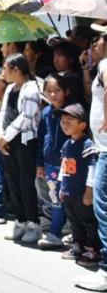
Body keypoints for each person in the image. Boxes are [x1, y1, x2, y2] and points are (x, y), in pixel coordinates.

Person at [0, 53, 43, 245]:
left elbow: (26, 117)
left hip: (24, 142)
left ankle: (33, 224)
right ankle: (20, 220)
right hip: (7, 141)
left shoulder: (31, 88)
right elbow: (3, 113)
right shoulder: (9, 89)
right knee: (12, 181)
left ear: (16, 70)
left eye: (5, 69)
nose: (3, 73)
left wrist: (6, 136)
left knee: (26, 183)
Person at [76, 28, 107, 291]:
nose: (94, 44)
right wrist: (87, 67)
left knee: (102, 206)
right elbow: (91, 93)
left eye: (98, 40)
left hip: (106, 147)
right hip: (102, 146)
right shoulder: (100, 67)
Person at [56, 103, 101, 266]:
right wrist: (61, 186)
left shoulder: (88, 144)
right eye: (63, 121)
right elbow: (64, 166)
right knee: (74, 221)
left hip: (82, 193)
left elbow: (92, 168)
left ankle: (93, 249)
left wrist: (89, 191)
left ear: (82, 125)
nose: (64, 124)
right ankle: (78, 245)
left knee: (88, 221)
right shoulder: (66, 144)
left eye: (69, 121)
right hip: (69, 192)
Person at [35, 73, 71, 250]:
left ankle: (70, 232)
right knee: (56, 198)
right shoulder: (46, 112)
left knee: (70, 199)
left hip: (69, 164)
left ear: (66, 91)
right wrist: (39, 163)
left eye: (57, 90)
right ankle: (55, 233)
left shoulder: (72, 111)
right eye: (49, 91)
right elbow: (41, 138)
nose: (53, 94)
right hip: (50, 164)